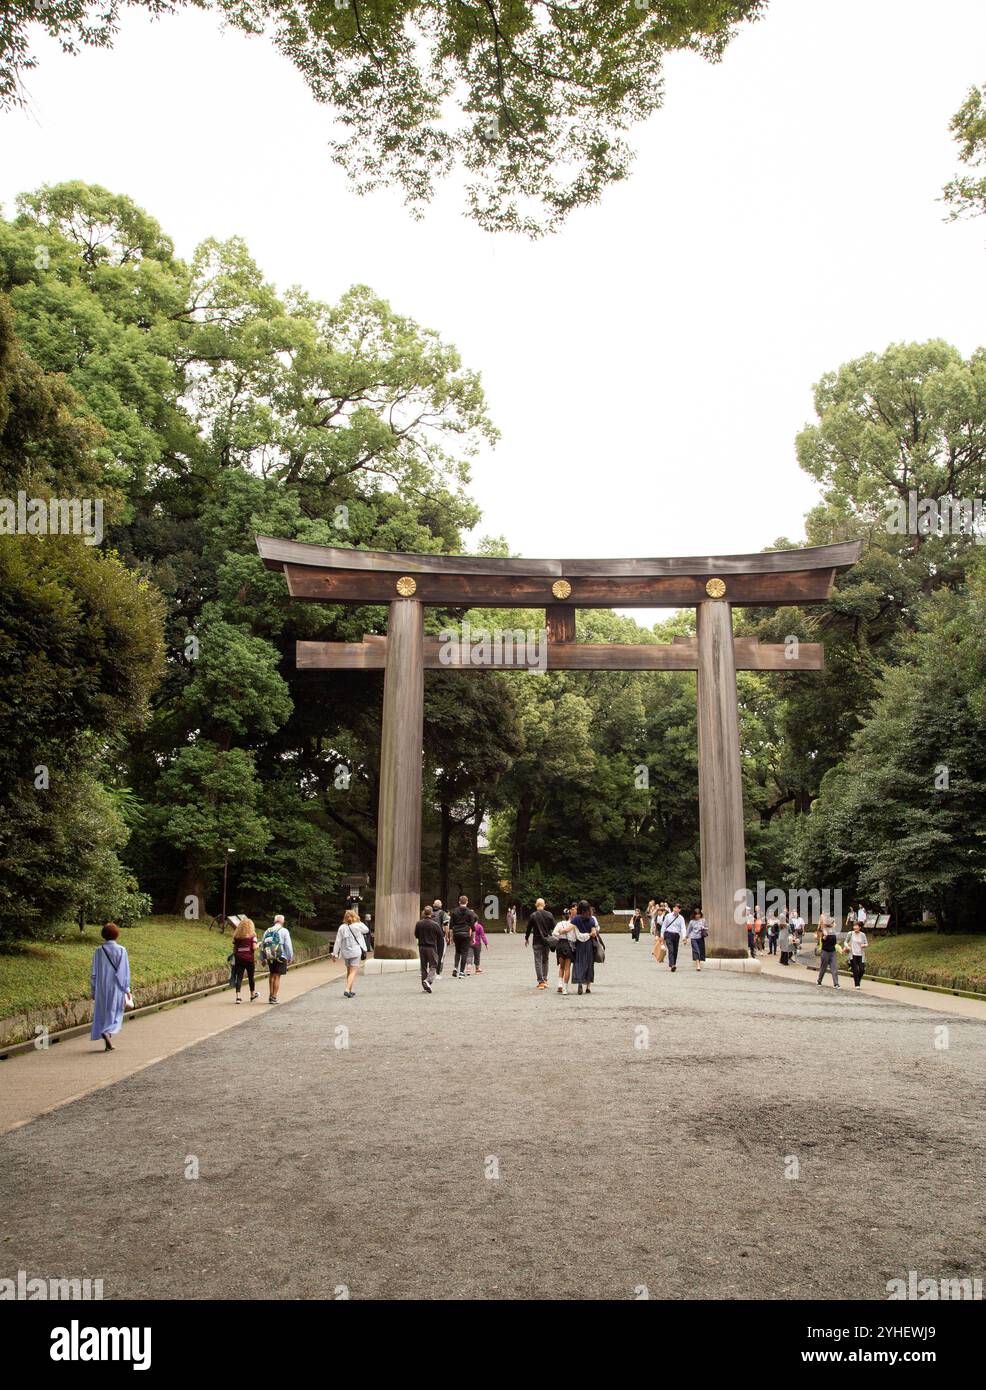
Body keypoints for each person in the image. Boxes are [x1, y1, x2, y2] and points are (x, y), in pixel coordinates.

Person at [91, 922, 131, 1051]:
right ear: (116, 934)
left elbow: (94, 972)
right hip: (116, 986)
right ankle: (107, 1031)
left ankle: (106, 1034)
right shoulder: (121, 950)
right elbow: (123, 971)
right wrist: (127, 989)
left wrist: (93, 989)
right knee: (116, 1010)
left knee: (103, 1012)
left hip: (101, 986)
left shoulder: (98, 951)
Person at [332, 908, 367, 998]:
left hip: (345, 952)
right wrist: (359, 921)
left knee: (349, 971)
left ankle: (350, 991)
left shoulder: (342, 927)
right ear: (354, 917)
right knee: (353, 972)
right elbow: (366, 930)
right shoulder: (357, 926)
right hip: (355, 951)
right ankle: (347, 989)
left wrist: (334, 954)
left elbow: (338, 941)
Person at [261, 914, 294, 1003]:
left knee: (271, 975)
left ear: (274, 921)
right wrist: (290, 956)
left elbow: (263, 944)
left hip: (269, 955)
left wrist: (263, 958)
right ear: (282, 921)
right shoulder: (284, 931)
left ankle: (270, 995)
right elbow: (288, 945)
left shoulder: (268, 930)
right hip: (280, 956)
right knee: (277, 976)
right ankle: (274, 997)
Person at [525, 898, 556, 990]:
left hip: (537, 941)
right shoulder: (549, 915)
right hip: (546, 941)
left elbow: (528, 928)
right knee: (545, 960)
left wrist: (526, 938)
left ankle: (541, 982)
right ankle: (545, 979)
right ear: (544, 905)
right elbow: (554, 927)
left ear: (536, 905)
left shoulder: (533, 915)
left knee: (538, 961)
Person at [570, 899, 599, 995]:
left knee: (579, 963)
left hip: (579, 944)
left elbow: (569, 928)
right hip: (589, 944)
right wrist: (590, 933)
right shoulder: (591, 919)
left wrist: (561, 931)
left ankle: (579, 982)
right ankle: (588, 987)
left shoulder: (576, 919)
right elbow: (594, 934)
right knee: (589, 964)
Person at [415, 906, 443, 993]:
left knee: (423, 966)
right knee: (434, 964)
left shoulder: (419, 923)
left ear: (424, 912)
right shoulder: (435, 924)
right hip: (431, 947)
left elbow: (416, 935)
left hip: (421, 947)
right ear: (431, 913)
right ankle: (428, 980)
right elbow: (440, 936)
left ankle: (425, 986)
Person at [232, 915, 260, 1003]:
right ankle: (252, 994)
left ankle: (238, 997)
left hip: (239, 959)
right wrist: (259, 944)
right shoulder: (253, 936)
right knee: (251, 977)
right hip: (249, 959)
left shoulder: (237, 936)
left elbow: (234, 948)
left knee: (239, 977)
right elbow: (254, 947)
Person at [449, 895, 477, 978]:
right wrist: (473, 938)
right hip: (465, 934)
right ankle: (461, 972)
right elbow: (473, 927)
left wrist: (451, 937)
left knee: (457, 952)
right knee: (464, 953)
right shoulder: (470, 912)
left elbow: (451, 926)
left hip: (456, 933)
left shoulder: (454, 911)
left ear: (459, 902)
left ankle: (455, 967)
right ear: (467, 902)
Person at [553, 906, 577, 994]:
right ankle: (565, 989)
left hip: (560, 945)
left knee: (561, 967)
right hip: (569, 945)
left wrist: (560, 934)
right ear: (570, 915)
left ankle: (560, 984)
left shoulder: (559, 924)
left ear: (563, 916)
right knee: (567, 968)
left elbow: (554, 933)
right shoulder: (573, 924)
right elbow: (575, 937)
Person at [815, 914, 841, 989]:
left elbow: (834, 942)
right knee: (823, 968)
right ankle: (819, 980)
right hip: (825, 951)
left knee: (834, 968)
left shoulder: (833, 931)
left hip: (832, 952)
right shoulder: (824, 930)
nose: (834, 924)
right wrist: (824, 936)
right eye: (833, 923)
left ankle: (836, 984)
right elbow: (822, 938)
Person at [661, 902, 686, 972]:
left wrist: (684, 937)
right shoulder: (668, 916)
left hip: (676, 935)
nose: (676, 909)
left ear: (679, 910)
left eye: (677, 908)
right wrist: (662, 936)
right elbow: (664, 926)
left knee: (675, 950)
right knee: (671, 950)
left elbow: (683, 928)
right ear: (673, 908)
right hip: (668, 934)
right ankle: (672, 964)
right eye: (675, 908)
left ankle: (673, 964)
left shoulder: (681, 918)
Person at [847, 918, 868, 989]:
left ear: (860, 927)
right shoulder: (850, 933)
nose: (855, 927)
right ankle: (857, 984)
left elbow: (866, 943)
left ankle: (858, 980)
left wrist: (864, 945)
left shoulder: (863, 935)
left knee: (862, 969)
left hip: (861, 954)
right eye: (854, 926)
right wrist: (847, 947)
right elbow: (845, 942)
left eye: (856, 926)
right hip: (853, 954)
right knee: (855, 969)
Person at [432, 899, 448, 979]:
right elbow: (446, 925)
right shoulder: (443, 913)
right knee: (439, 954)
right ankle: (437, 973)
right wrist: (447, 936)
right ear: (441, 905)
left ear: (433, 904)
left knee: (431, 953)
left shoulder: (429, 912)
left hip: (430, 936)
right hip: (440, 936)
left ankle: (428, 970)